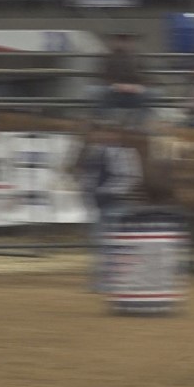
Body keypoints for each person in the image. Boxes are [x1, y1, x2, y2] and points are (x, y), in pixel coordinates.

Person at [79, 122, 144, 292]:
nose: (101, 136)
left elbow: (129, 177)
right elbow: (89, 176)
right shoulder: (98, 152)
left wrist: (105, 191)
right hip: (102, 204)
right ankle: (108, 282)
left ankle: (115, 281)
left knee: (113, 244)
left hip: (116, 203)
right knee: (105, 243)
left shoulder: (122, 153)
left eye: (106, 132)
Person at [98, 31, 150, 129]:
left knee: (146, 96)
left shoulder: (138, 57)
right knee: (103, 93)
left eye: (126, 41)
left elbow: (145, 75)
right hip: (114, 89)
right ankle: (107, 123)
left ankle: (137, 125)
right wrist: (117, 85)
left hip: (134, 90)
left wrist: (137, 86)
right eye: (121, 40)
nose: (123, 44)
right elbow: (104, 75)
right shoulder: (108, 57)